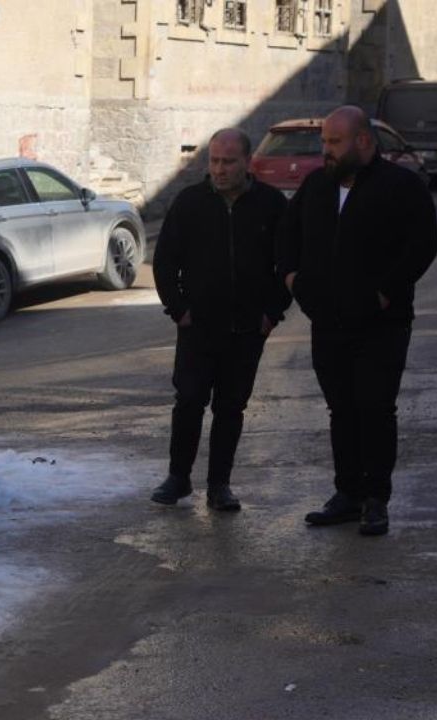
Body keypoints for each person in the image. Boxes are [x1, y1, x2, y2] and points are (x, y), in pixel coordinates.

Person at [277, 106, 437, 536]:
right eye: (325, 142)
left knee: (375, 408)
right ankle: (347, 494)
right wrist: (294, 279)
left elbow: (422, 246)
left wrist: (386, 291)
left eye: (334, 142)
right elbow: (288, 237)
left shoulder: (401, 187)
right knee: (342, 410)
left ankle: (375, 500)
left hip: (382, 325)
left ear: (363, 142)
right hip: (327, 323)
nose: (325, 151)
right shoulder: (316, 186)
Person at [151, 128, 291, 511]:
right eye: (214, 160)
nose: (220, 169)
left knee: (231, 408)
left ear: (247, 162)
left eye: (228, 161)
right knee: (189, 400)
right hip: (199, 327)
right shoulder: (190, 202)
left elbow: (288, 263)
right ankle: (178, 478)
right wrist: (179, 310)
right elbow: (164, 262)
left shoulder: (271, 204)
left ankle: (219, 485)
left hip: (247, 329)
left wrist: (271, 313)